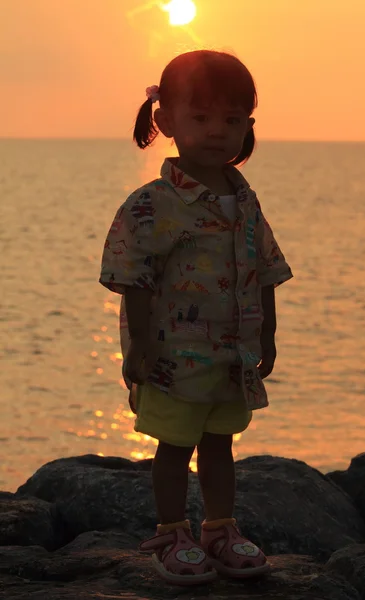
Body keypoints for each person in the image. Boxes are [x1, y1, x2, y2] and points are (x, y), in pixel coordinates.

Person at [99, 49, 293, 586]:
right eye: (201, 117)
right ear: (166, 121)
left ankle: (220, 528)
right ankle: (170, 530)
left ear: (248, 126)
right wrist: (139, 345)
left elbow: (265, 267)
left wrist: (269, 334)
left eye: (232, 120)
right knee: (173, 444)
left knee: (220, 443)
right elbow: (132, 277)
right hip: (172, 352)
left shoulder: (245, 199)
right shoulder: (150, 205)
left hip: (232, 352)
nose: (217, 132)